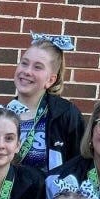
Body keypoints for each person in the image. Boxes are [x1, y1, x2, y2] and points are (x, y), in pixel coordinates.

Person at [9, 31, 84, 171]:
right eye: (24, 63)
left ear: (51, 80)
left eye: (37, 67)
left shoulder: (66, 115)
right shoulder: (2, 114)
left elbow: (79, 166)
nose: (27, 71)